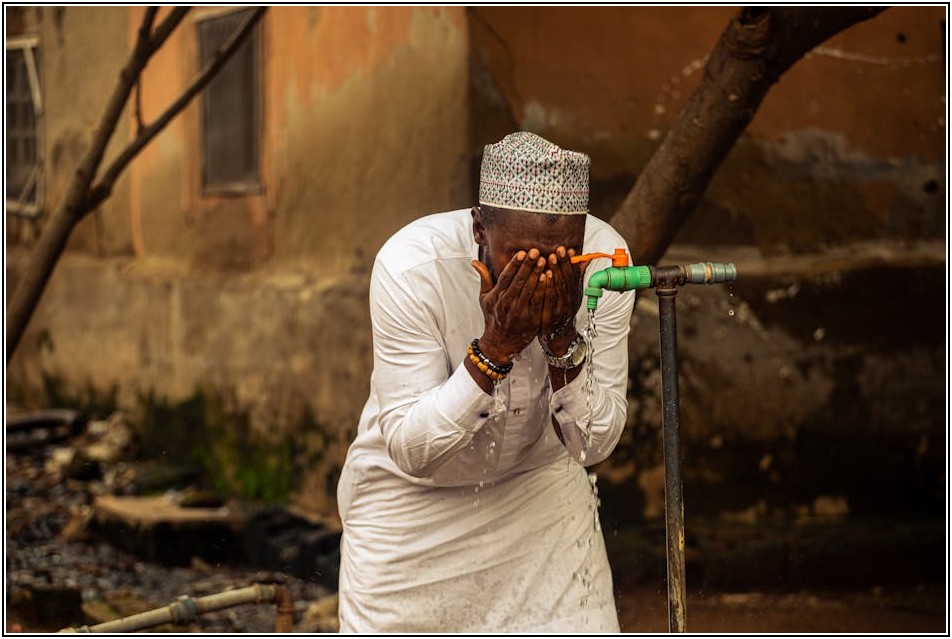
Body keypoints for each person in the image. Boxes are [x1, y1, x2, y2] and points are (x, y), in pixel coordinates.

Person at [336, 131, 636, 633]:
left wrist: (562, 340)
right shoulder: (412, 266)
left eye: (564, 257)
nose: (542, 274)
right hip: (412, 509)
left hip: (538, 495)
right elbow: (412, 449)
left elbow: (594, 444)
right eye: (520, 257)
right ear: (479, 226)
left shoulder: (606, 264)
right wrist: (496, 347)